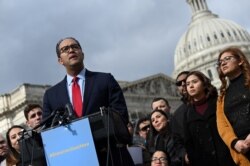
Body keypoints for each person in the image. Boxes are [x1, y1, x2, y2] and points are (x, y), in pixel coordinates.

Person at [42, 37, 134, 166]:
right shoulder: (51, 95)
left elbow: (120, 115)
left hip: (111, 157)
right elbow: (49, 132)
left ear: (82, 53)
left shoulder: (105, 80)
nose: (71, 50)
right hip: (76, 159)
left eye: (75, 47)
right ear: (60, 60)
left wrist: (88, 132)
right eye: (65, 49)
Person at [184, 71, 235, 166]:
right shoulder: (187, 113)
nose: (191, 86)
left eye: (194, 82)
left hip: (228, 159)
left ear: (204, 84)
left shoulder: (219, 103)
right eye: (188, 84)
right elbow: (189, 143)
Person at [216, 47, 250, 165]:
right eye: (220, 62)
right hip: (243, 151)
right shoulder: (222, 97)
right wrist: (234, 142)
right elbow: (222, 126)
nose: (223, 63)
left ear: (240, 61)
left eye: (227, 59)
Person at [170, 71, 189, 141]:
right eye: (179, 83)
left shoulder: (216, 102)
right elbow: (177, 141)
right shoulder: (176, 116)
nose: (183, 84)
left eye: (186, 80)